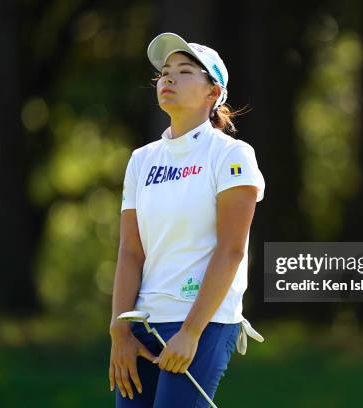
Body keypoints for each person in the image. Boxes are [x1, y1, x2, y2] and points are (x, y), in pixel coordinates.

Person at [108, 32, 265, 408]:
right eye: (164, 73)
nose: (168, 79)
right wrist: (119, 330)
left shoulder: (232, 154)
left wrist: (191, 331)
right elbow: (131, 252)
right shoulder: (141, 160)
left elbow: (231, 251)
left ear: (213, 94)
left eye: (184, 71)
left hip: (204, 323)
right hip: (141, 323)